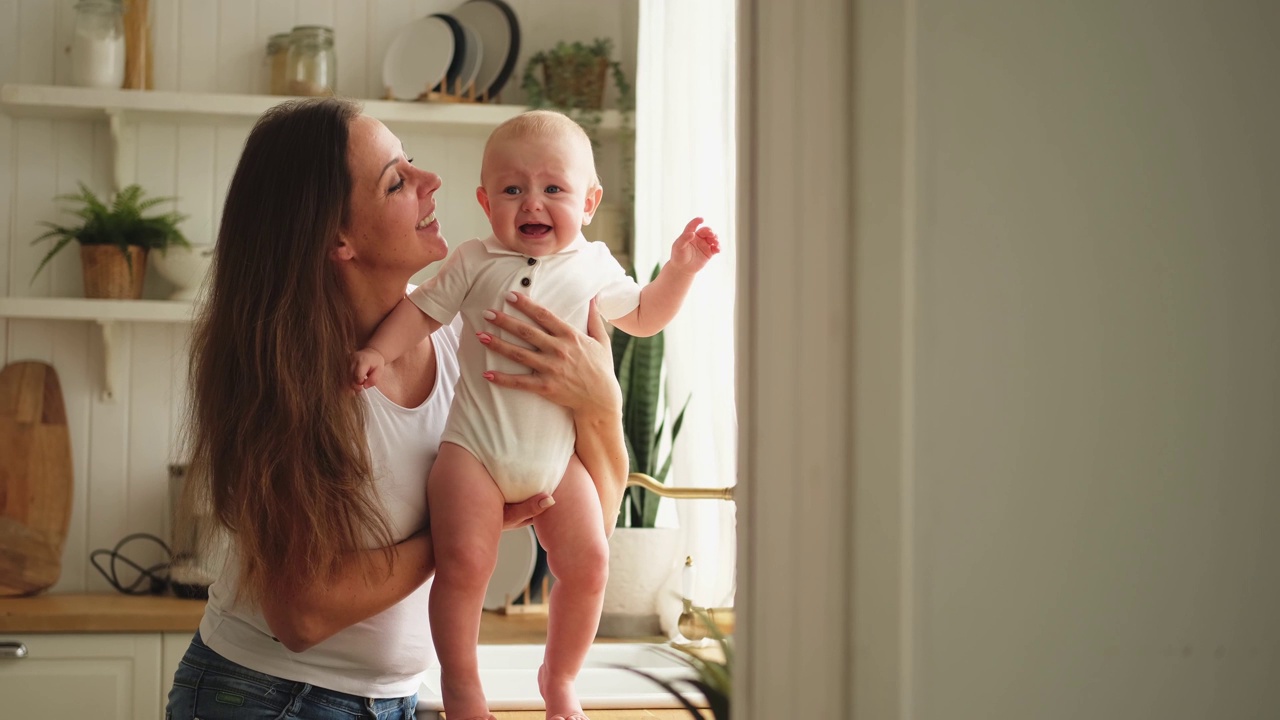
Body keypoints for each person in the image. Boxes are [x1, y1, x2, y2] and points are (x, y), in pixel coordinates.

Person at [164, 98, 629, 720]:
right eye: (396, 180)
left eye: (410, 162)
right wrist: (465, 534)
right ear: (337, 238)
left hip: (393, 700)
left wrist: (601, 409)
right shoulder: (296, 374)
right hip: (267, 697)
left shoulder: (468, 326)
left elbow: (596, 520)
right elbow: (304, 613)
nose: (429, 180)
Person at [348, 109, 720, 720]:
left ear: (590, 200)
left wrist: (680, 269)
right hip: (474, 452)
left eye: (554, 189)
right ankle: (464, 686)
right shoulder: (472, 260)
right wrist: (374, 353)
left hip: (556, 460)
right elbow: (422, 315)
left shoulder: (594, 268)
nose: (532, 204)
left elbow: (646, 317)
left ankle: (562, 676)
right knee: (466, 562)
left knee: (591, 560)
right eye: (513, 189)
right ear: (485, 198)